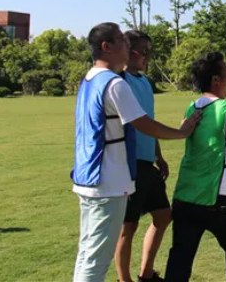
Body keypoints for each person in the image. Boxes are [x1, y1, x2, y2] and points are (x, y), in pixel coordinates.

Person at [72, 23, 200, 282]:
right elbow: (143, 123)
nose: (128, 48)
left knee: (87, 253)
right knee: (96, 259)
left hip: (89, 177)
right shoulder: (114, 83)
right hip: (107, 181)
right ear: (106, 47)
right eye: (123, 42)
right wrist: (182, 132)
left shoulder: (90, 78)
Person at [164, 53, 226, 282]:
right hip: (219, 199)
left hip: (186, 195)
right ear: (216, 80)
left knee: (180, 258)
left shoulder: (192, 107)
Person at [114, 31, 172, 282]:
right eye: (144, 51)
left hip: (148, 163)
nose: (148, 57)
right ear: (130, 51)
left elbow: (148, 121)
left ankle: (146, 274)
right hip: (129, 164)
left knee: (163, 216)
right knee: (128, 227)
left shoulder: (145, 82)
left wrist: (158, 155)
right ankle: (124, 279)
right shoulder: (119, 80)